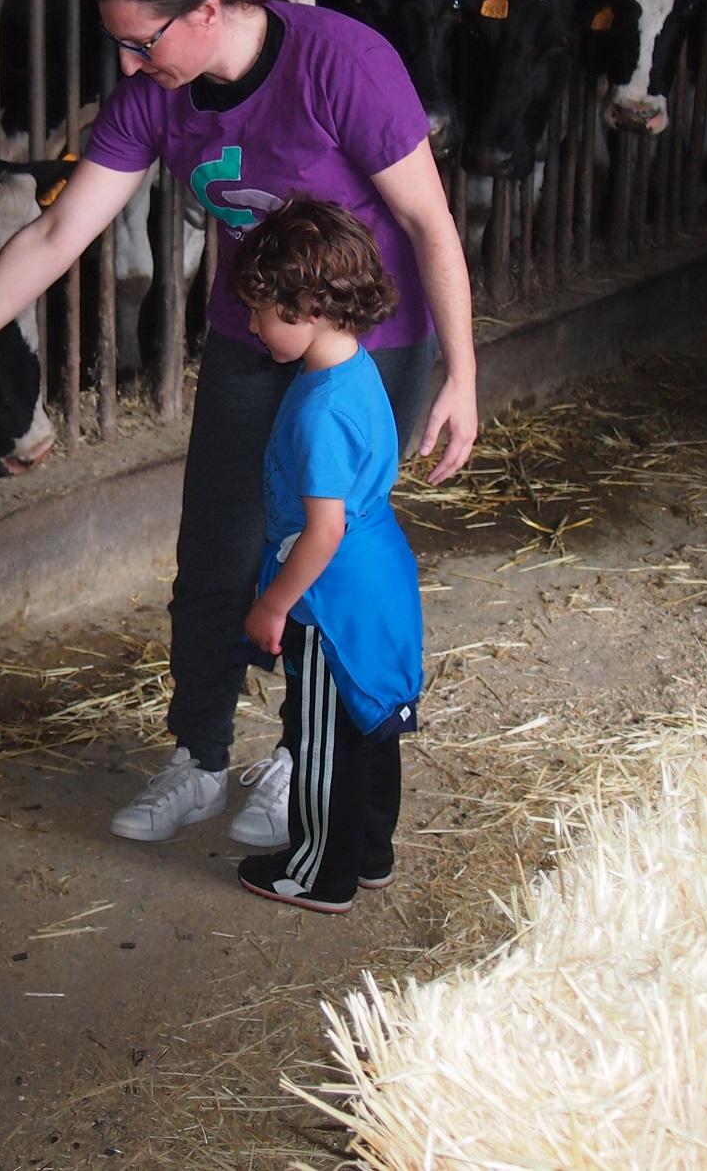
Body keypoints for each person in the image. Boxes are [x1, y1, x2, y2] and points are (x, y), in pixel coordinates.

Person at [0, 0, 475, 846]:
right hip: (251, 335)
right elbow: (59, 232)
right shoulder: (155, 93)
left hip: (372, 343)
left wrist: (462, 373)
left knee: (326, 551)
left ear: (205, 9)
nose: (125, 65)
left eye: (139, 40)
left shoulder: (343, 62)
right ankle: (199, 755)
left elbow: (429, 224)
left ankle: (294, 754)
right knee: (217, 553)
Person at [231, 201, 422, 912]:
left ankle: (320, 872)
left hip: (331, 593)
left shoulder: (318, 410)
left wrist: (274, 601)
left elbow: (323, 530)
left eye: (261, 310)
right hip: (378, 574)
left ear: (308, 304)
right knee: (372, 721)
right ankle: (370, 853)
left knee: (321, 734)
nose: (253, 327)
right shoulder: (356, 373)